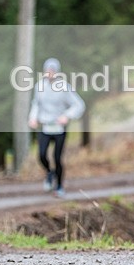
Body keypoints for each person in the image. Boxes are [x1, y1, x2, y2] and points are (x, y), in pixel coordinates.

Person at [28, 57, 85, 198]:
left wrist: (67, 116)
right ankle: (49, 172)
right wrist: (33, 118)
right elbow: (36, 104)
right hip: (45, 126)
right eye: (48, 70)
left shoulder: (64, 87)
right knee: (41, 155)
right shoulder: (39, 86)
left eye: (52, 71)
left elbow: (78, 105)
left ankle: (59, 186)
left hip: (59, 127)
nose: (50, 73)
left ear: (57, 72)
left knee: (57, 158)